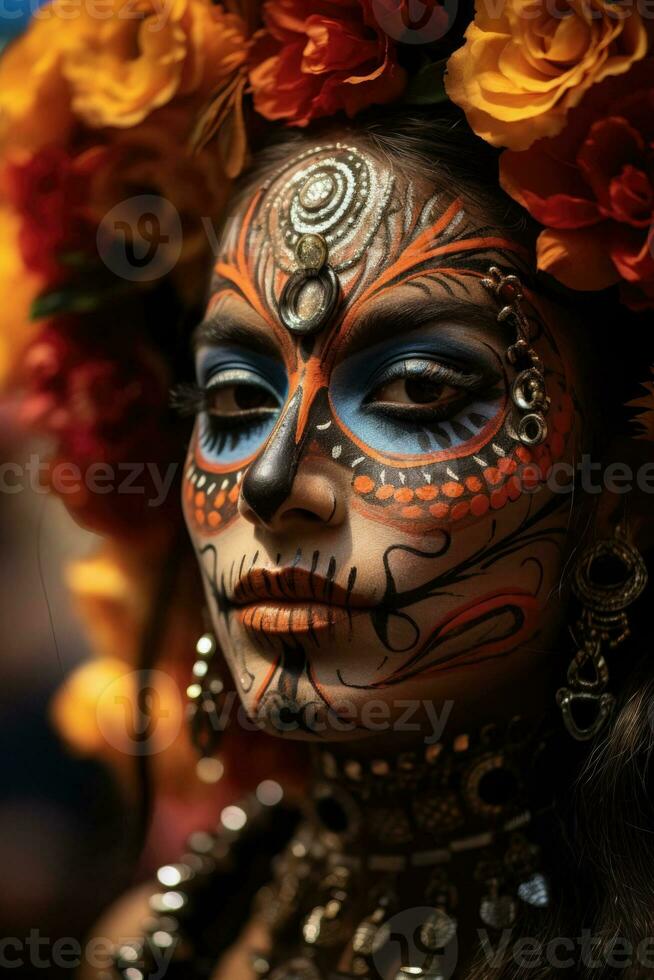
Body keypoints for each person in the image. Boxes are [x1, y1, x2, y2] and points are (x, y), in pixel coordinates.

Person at [2, 2, 654, 978]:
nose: (270, 479)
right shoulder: (161, 939)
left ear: (619, 490)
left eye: (417, 390)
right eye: (232, 396)